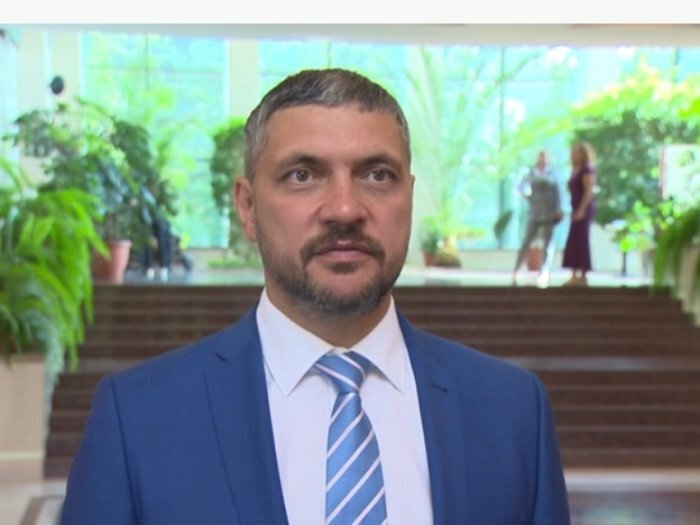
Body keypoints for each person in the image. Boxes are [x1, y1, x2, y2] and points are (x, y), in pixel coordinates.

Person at [61, 68, 570, 524]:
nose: (345, 209)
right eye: (302, 176)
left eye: (377, 175)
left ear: (409, 197)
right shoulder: (138, 419)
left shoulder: (511, 410)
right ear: (247, 207)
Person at [512, 150, 562, 287]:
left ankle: (544, 270)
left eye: (544, 157)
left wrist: (558, 209)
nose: (542, 160)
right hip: (534, 211)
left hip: (548, 211)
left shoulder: (552, 173)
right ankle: (517, 269)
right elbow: (519, 187)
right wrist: (528, 197)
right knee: (527, 240)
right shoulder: (532, 172)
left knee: (547, 242)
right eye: (540, 157)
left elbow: (559, 192)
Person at [562, 142, 597, 286]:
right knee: (573, 239)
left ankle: (582, 274)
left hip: (584, 209)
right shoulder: (575, 170)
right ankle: (573, 273)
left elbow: (588, 191)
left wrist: (582, 210)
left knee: (581, 239)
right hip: (575, 208)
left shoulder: (587, 170)